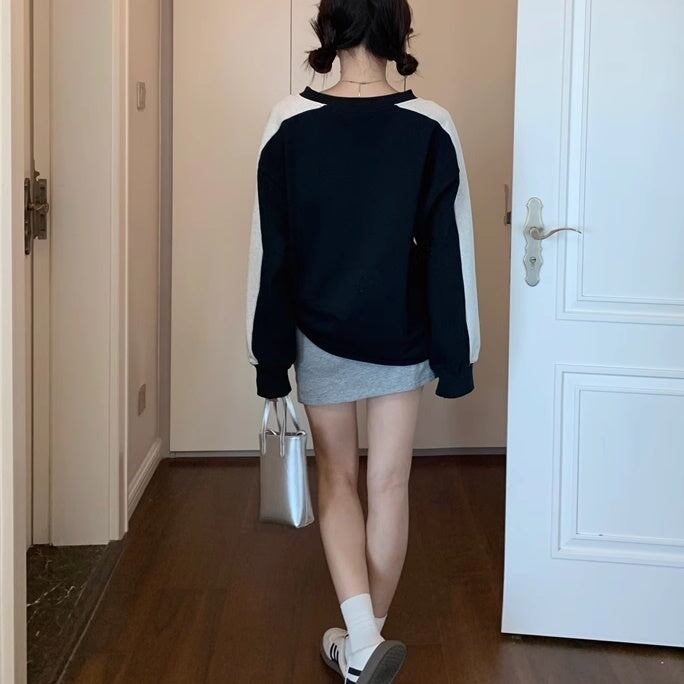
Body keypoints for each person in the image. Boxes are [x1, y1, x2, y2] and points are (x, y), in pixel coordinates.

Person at [245, 1, 480, 680]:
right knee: (390, 482)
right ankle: (363, 644)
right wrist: (455, 357)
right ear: (398, 30)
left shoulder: (287, 122)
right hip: (402, 331)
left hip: (318, 329)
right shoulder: (431, 125)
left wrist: (269, 359)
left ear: (328, 29)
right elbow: (450, 254)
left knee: (339, 478)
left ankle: (360, 642)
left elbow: (272, 254)